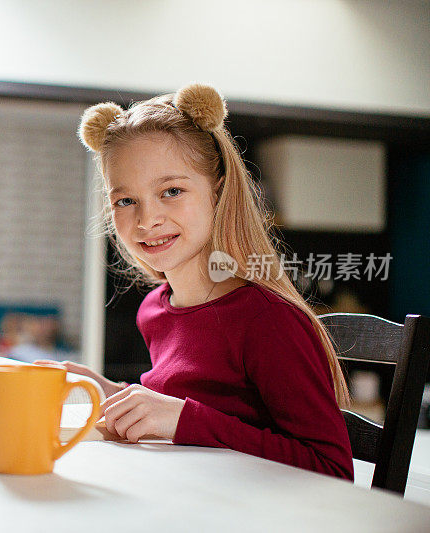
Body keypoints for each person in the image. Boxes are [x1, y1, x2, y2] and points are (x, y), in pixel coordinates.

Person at [37, 83, 353, 480]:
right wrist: (109, 393)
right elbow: (187, 411)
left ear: (217, 194)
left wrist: (187, 419)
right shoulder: (155, 308)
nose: (146, 219)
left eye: (171, 191)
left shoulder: (266, 320)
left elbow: (333, 469)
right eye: (125, 200)